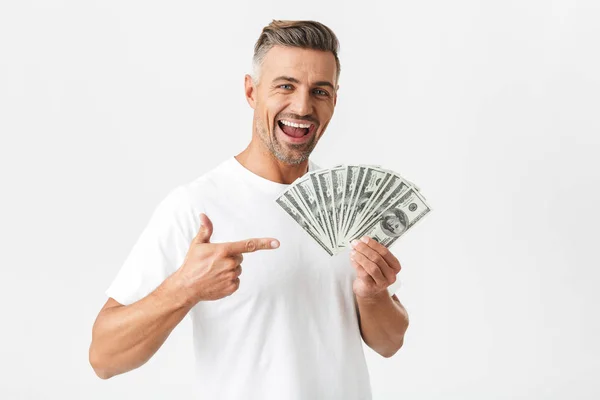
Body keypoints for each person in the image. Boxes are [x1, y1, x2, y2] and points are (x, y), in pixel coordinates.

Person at [89, 19, 409, 400]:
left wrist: (372, 296)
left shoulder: (348, 205)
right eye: (285, 86)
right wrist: (184, 288)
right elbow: (104, 358)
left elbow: (390, 343)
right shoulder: (196, 205)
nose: (302, 106)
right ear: (251, 91)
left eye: (319, 91)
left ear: (334, 101)